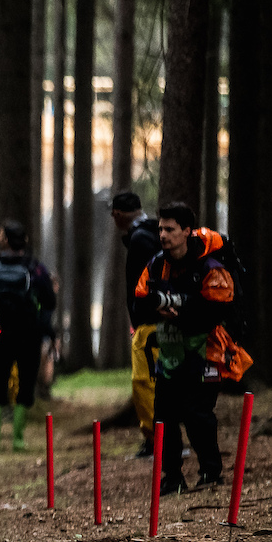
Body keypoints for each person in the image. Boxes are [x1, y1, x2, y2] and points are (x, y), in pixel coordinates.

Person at [133, 202, 252, 494]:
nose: (163, 234)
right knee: (164, 415)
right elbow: (140, 299)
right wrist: (159, 308)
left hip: (207, 352)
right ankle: (171, 476)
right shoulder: (157, 264)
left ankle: (211, 472)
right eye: (161, 228)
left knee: (198, 414)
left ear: (186, 231)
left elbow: (217, 309)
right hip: (170, 355)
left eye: (170, 229)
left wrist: (182, 310)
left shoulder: (211, 267)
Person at [0, 219, 57, 454]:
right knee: (25, 385)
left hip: (0, 333)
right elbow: (49, 300)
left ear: (4, 240)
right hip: (29, 333)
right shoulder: (35, 268)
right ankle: (18, 439)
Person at [111, 191, 162, 458]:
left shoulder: (141, 240)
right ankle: (159, 438)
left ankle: (156, 440)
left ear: (118, 215)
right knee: (155, 383)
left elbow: (140, 285)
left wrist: (138, 314)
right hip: (159, 320)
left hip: (148, 324)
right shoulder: (153, 233)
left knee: (144, 382)